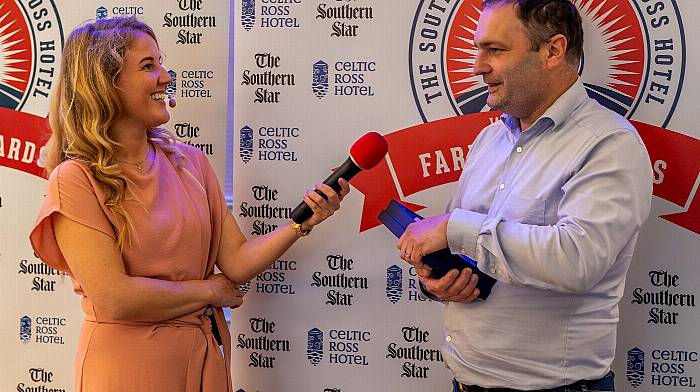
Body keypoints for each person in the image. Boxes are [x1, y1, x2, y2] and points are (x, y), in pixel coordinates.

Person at [29, 17, 349, 392]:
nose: (165, 76)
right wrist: (210, 292)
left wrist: (304, 221)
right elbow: (115, 298)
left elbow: (236, 262)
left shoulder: (191, 162)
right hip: (128, 369)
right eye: (148, 66)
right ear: (107, 84)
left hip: (205, 359)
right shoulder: (74, 179)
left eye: (160, 63)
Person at [397, 1, 652, 391]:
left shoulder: (609, 143)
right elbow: (459, 245)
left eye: (495, 50)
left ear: (553, 51)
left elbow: (577, 261)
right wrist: (439, 278)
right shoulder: (490, 139)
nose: (477, 66)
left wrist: (455, 229)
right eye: (479, 49)